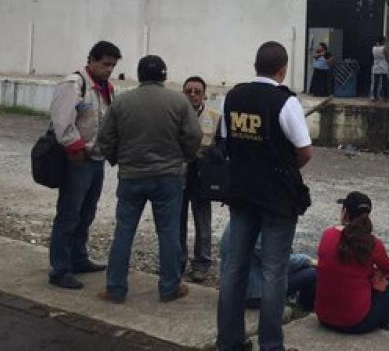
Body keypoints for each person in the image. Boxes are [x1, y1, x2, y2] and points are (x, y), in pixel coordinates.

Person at [217, 41, 313, 351]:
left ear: (255, 65)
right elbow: (305, 152)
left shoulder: (232, 97)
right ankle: (271, 345)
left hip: (241, 193)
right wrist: (283, 167)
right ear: (282, 70)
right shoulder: (285, 101)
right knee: (275, 273)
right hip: (276, 198)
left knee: (234, 268)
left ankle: (229, 341)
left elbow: (225, 141)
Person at [96, 55, 201, 303]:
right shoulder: (179, 101)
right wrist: (183, 157)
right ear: (164, 76)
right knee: (168, 232)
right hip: (168, 177)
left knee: (124, 231)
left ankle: (115, 288)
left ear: (140, 75)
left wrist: (117, 159)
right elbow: (194, 135)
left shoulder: (122, 102)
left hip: (131, 176)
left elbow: (105, 137)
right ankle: (169, 287)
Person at [48, 40, 122, 290]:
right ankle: (60, 268)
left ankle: (78, 257)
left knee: (87, 212)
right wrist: (74, 148)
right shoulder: (74, 84)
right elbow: (62, 121)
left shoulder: (107, 89)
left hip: (97, 158)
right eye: (105, 64)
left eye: (112, 66)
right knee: (69, 214)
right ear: (91, 60)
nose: (108, 69)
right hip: (78, 159)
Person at [315, 191, 389, 335]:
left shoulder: (328, 234)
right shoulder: (373, 243)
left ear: (344, 212)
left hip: (324, 317)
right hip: (355, 323)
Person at [179, 75, 222, 282]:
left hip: (202, 177)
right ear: (183, 93)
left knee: (203, 222)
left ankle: (202, 263)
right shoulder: (174, 115)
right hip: (178, 175)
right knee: (177, 221)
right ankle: (178, 260)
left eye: (197, 91)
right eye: (189, 91)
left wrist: (210, 155)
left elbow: (222, 146)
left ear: (204, 94)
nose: (193, 95)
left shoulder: (215, 117)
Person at [220, 221, 317, 311]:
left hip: (233, 290)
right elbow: (280, 262)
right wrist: (308, 260)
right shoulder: (258, 228)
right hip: (254, 295)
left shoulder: (238, 220)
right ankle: (303, 308)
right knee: (312, 274)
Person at [370, 37, 389, 102]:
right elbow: (386, 56)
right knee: (384, 82)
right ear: (383, 41)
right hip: (383, 64)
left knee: (375, 82)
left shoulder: (373, 48)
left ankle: (374, 96)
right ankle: (385, 97)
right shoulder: (384, 48)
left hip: (376, 64)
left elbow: (373, 56)